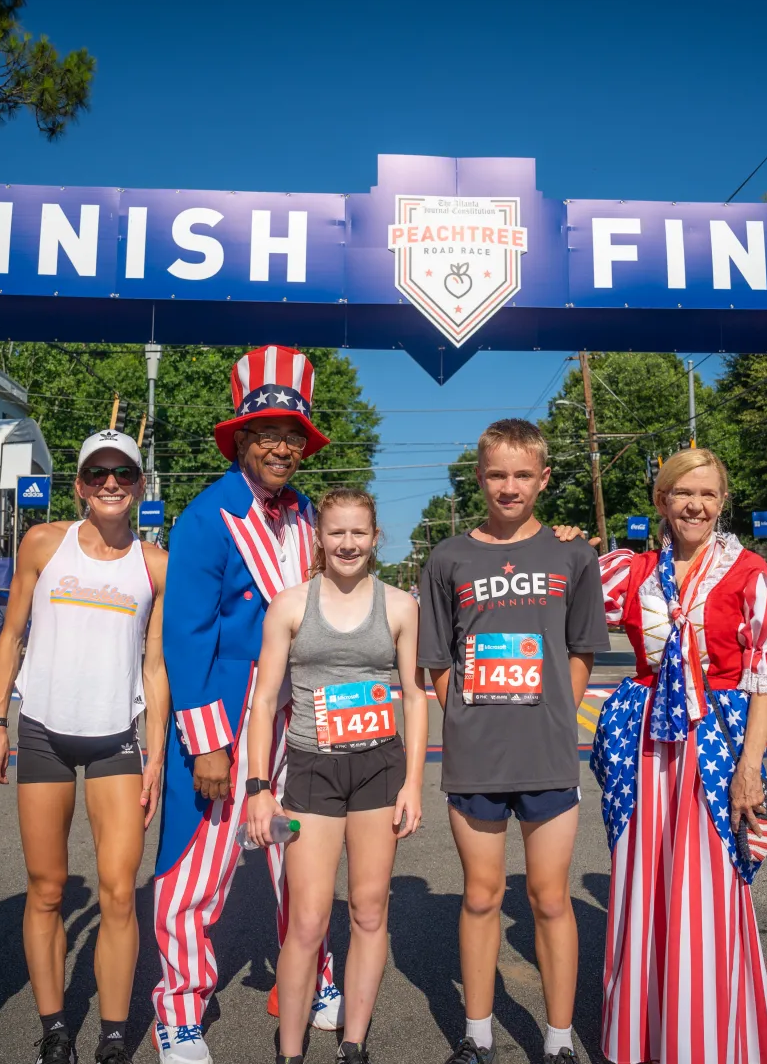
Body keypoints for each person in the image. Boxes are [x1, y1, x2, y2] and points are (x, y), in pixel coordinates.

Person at [153, 346, 344, 1064]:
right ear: (239, 437)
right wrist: (206, 741)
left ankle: (311, 974)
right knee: (194, 875)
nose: (280, 445)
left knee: (302, 862)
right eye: (265, 431)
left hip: (296, 726)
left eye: (292, 433)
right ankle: (178, 1009)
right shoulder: (207, 517)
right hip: (223, 729)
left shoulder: (308, 519)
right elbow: (187, 635)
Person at [593, 448, 767, 1064]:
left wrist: (749, 768)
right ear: (662, 501)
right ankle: (644, 1038)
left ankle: (708, 1041)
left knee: (711, 889)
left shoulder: (752, 574)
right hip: (643, 748)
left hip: (717, 743)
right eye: (683, 493)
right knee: (643, 881)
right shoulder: (629, 572)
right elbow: (557, 605)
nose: (696, 505)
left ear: (722, 503)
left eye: (708, 494)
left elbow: (766, 679)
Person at [417, 419, 609, 1064]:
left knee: (550, 898)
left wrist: (555, 710)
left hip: (548, 754)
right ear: (479, 477)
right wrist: (470, 717)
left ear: (543, 479)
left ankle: (557, 1041)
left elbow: (582, 649)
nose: (509, 486)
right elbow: (437, 660)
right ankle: (477, 1035)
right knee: (480, 895)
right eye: (497, 474)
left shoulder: (571, 554)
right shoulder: (447, 558)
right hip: (475, 758)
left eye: (523, 474)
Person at [0, 429, 170, 1064]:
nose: (110, 484)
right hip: (42, 735)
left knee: (119, 891)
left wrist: (157, 762)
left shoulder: (155, 564)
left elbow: (155, 668)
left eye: (123, 474)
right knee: (47, 887)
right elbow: (10, 637)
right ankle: (55, 1027)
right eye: (97, 474)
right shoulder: (42, 543)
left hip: (117, 737)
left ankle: (114, 1034)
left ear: (140, 486)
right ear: (80, 485)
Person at [244, 488, 426, 1064]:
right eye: (336, 532)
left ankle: (353, 1043)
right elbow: (265, 699)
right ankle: (290, 1051)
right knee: (308, 917)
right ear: (319, 538)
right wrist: (257, 788)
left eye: (359, 533)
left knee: (370, 909)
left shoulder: (399, 607)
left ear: (376, 538)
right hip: (311, 773)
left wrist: (414, 782)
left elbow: (416, 697)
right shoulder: (291, 604)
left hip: (379, 771)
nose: (348, 543)